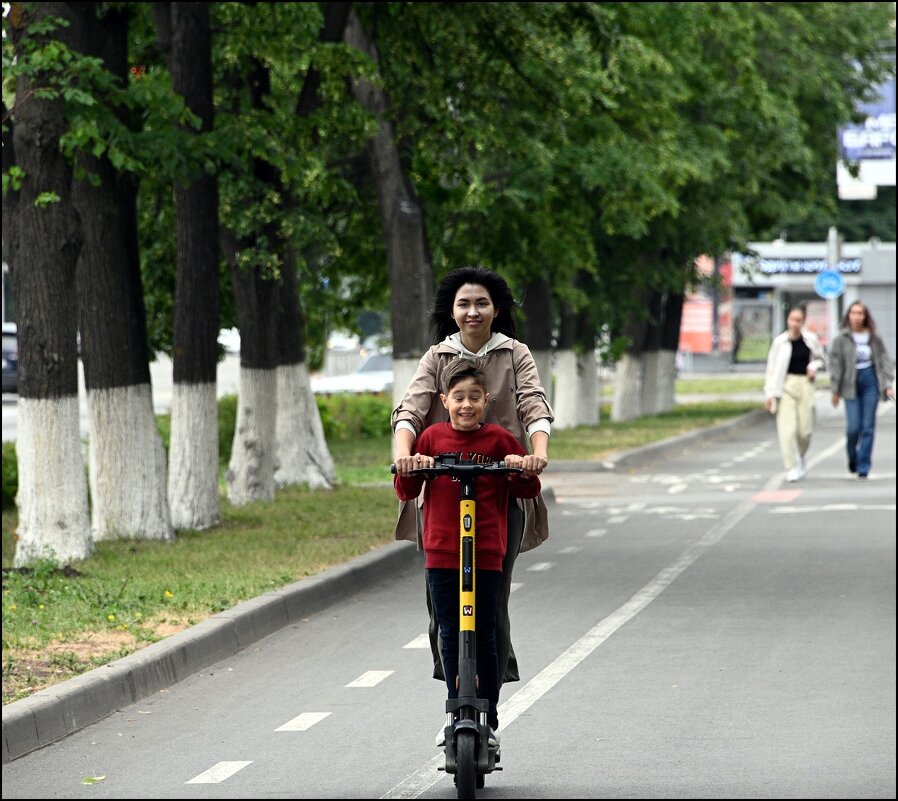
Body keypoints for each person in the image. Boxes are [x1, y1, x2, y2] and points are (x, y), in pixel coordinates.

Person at [391, 265, 553, 701]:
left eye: (482, 303)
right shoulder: (437, 357)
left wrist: (536, 454)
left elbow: (534, 406)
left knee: (491, 609)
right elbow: (410, 410)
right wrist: (404, 457)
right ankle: (457, 702)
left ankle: (489, 705)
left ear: (496, 309)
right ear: (452, 310)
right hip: (444, 493)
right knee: (440, 611)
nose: (473, 312)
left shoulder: (514, 354)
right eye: (464, 304)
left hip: (502, 492)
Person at [394, 358, 541, 746]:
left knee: (486, 634)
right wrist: (410, 466)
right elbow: (407, 492)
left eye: (474, 397)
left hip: (487, 552)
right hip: (442, 552)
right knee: (450, 631)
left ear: (486, 399)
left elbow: (526, 490)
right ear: (444, 400)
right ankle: (456, 708)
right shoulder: (431, 440)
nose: (466, 405)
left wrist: (522, 466)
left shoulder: (498, 440)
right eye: (458, 397)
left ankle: (488, 720)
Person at [829, 300, 895, 480]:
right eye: (853, 313)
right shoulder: (841, 339)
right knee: (853, 428)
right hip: (850, 383)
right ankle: (853, 457)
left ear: (865, 316)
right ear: (848, 316)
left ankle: (863, 465)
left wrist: (888, 384)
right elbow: (835, 365)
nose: (857, 317)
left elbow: (884, 360)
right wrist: (835, 389)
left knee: (868, 427)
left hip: (870, 381)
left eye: (860, 313)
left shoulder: (874, 337)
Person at [763, 304, 826, 482]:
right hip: (785, 385)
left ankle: (801, 455)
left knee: (804, 430)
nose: (795, 324)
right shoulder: (780, 342)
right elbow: (771, 369)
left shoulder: (810, 340)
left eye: (798, 320)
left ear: (803, 321)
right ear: (787, 320)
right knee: (787, 429)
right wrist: (769, 393)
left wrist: (813, 367)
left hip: (805, 384)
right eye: (792, 320)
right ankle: (791, 466)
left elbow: (821, 359)